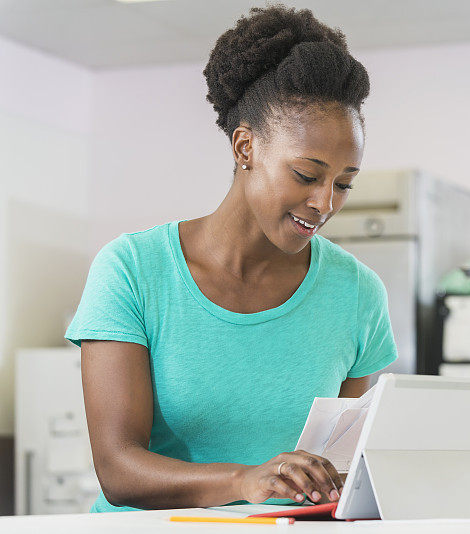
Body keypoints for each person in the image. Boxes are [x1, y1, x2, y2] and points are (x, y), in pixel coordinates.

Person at [65, 4, 397, 513]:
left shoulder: (357, 293)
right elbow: (118, 469)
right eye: (308, 175)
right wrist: (246, 480)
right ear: (245, 146)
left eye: (344, 183)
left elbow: (341, 469)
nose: (325, 203)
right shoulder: (132, 270)